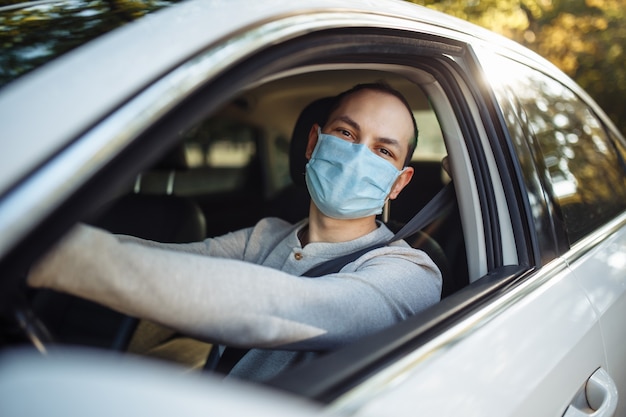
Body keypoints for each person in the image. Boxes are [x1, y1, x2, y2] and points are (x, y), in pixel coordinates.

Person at [27, 82, 442, 382]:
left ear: (398, 183)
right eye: (346, 133)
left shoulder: (410, 273)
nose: (356, 156)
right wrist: (38, 237)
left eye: (383, 150)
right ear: (313, 143)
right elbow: (170, 260)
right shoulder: (266, 235)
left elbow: (284, 310)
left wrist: (56, 258)